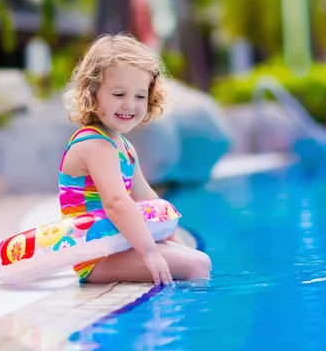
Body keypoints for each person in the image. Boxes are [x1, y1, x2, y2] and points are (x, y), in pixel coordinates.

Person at [58, 33, 212, 286]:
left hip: (115, 246)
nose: (130, 104)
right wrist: (150, 253)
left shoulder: (125, 148)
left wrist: (174, 241)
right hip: (95, 257)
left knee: (197, 259)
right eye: (119, 94)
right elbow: (117, 203)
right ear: (93, 93)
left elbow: (148, 200)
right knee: (197, 265)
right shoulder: (94, 143)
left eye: (140, 96)